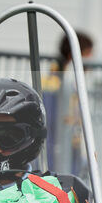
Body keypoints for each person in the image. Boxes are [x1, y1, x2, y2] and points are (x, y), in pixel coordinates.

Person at [42, 31, 93, 174]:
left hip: (68, 152)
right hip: (55, 154)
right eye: (88, 54)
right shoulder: (53, 84)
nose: (92, 60)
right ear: (74, 54)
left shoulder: (70, 83)